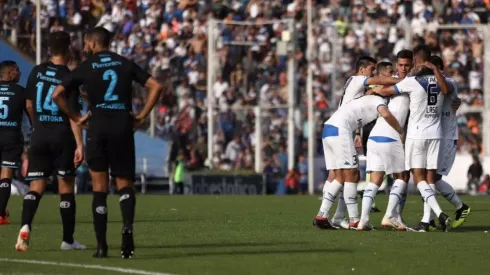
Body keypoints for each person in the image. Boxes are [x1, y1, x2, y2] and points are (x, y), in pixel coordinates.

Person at [51, 27, 163, 258]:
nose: (84, 47)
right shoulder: (125, 63)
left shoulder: (86, 66)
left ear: (92, 43)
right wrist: (141, 117)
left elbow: (57, 94)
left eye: (85, 43)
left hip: (98, 127)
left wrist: (76, 118)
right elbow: (156, 86)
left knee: (99, 189)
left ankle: (101, 246)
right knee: (124, 184)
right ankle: (127, 229)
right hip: (122, 126)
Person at [15, 31, 86, 252]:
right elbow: (74, 116)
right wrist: (80, 144)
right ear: (69, 50)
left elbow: (28, 104)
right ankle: (67, 240)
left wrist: (37, 125)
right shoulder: (70, 77)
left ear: (48, 50)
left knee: (36, 186)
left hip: (39, 136)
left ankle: (25, 225)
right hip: (62, 137)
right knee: (66, 188)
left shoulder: (36, 72)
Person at [318, 56, 401, 230]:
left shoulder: (361, 92)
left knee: (340, 176)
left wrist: (357, 132)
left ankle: (325, 215)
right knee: (352, 175)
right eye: (371, 69)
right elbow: (381, 96)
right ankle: (355, 219)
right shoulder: (359, 81)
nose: (372, 73)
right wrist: (402, 80)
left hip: (331, 127)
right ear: (362, 69)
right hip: (341, 129)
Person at [378, 45, 453, 232]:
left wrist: (374, 90)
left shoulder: (412, 81)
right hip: (436, 134)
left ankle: (439, 212)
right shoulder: (441, 81)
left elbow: (388, 91)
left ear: (416, 61)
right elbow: (446, 90)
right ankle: (427, 220)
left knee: (418, 177)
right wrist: (435, 70)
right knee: (429, 179)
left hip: (416, 134)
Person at [413, 55, 470, 231]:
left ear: (437, 68)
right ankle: (428, 220)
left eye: (431, 69)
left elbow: (447, 90)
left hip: (446, 138)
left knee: (434, 179)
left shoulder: (449, 83)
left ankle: (460, 207)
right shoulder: (427, 86)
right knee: (428, 178)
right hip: (433, 136)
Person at [359, 85, 409, 231]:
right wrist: (401, 131)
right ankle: (389, 215)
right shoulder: (407, 87)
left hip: (374, 136)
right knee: (402, 176)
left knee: (375, 180)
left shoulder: (381, 94)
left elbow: (370, 92)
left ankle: (363, 220)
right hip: (390, 136)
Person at [381, 49, 414, 229]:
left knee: (403, 176)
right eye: (400, 65)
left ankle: (396, 215)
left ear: (412, 65)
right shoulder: (392, 81)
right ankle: (390, 215)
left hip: (406, 132)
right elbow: (377, 92)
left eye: (406, 65)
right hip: (392, 132)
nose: (403, 68)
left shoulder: (413, 82)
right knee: (400, 176)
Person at [0, 61, 26, 225]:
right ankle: (0, 214)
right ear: (9, 74)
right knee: (6, 173)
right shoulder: (20, 92)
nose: (20, 73)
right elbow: (30, 109)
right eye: (17, 70)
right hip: (11, 136)